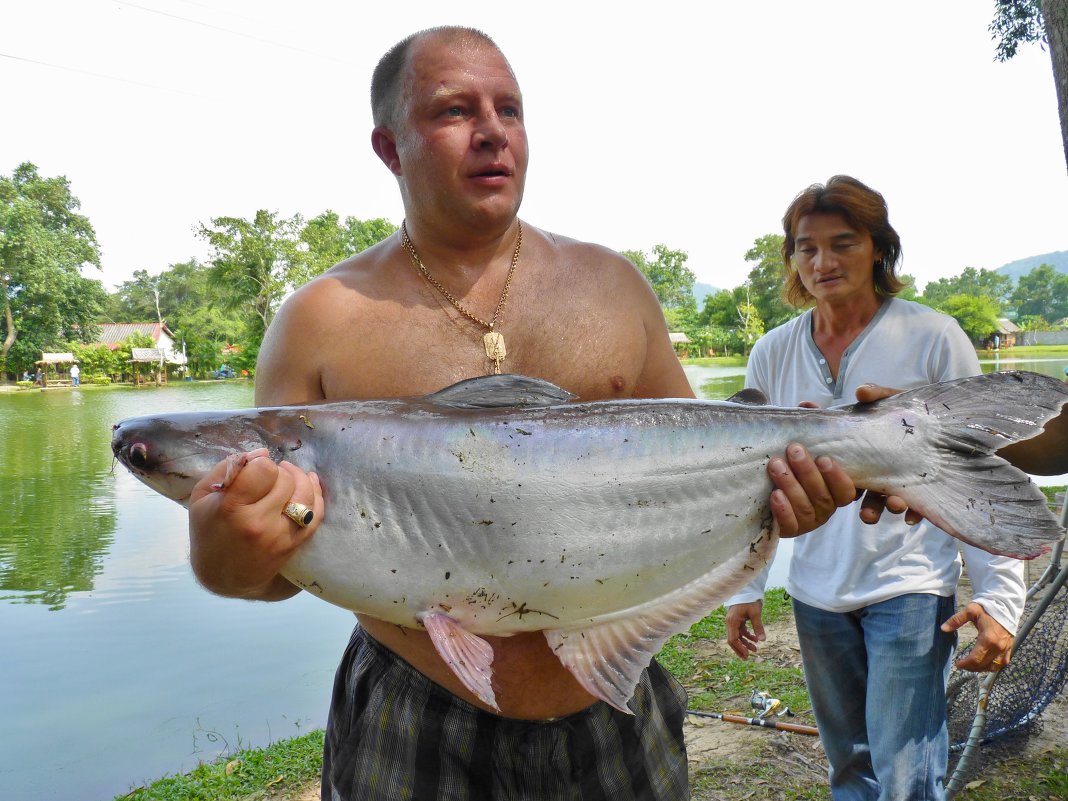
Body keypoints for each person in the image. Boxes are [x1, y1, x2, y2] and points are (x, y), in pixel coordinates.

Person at [185, 28, 860, 801]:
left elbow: (708, 475)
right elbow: (283, 557)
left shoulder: (612, 286)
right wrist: (226, 560)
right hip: (413, 715)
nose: (492, 131)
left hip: (614, 708)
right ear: (389, 147)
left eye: (509, 107)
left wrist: (778, 503)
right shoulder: (318, 320)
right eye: (453, 110)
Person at [724, 175, 1027, 801]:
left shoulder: (933, 338)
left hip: (908, 586)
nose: (823, 262)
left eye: (843, 243)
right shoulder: (772, 354)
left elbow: (979, 473)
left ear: (879, 249)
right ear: (792, 259)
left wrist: (1000, 599)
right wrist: (746, 586)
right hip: (814, 592)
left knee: (909, 774)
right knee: (849, 769)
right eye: (806, 248)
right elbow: (754, 488)